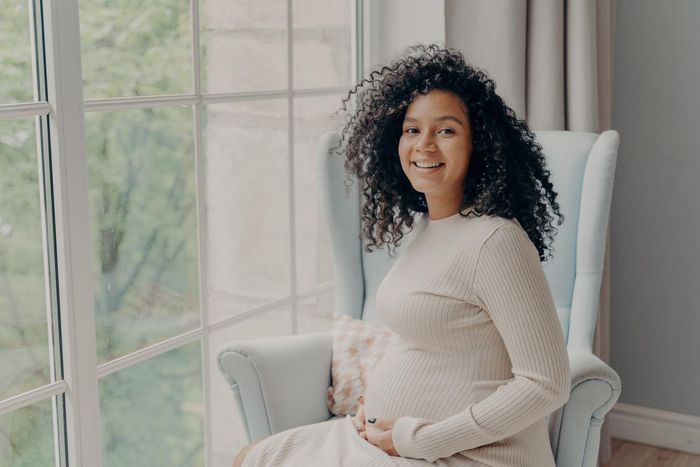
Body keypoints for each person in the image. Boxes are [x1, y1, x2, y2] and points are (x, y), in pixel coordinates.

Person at [234, 43, 571, 467]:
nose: (424, 145)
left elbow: (547, 384)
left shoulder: (495, 241)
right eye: (412, 130)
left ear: (479, 145)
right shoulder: (428, 228)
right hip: (393, 441)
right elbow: (429, 346)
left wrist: (421, 439)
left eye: (446, 131)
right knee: (252, 456)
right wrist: (374, 413)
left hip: (467, 455)